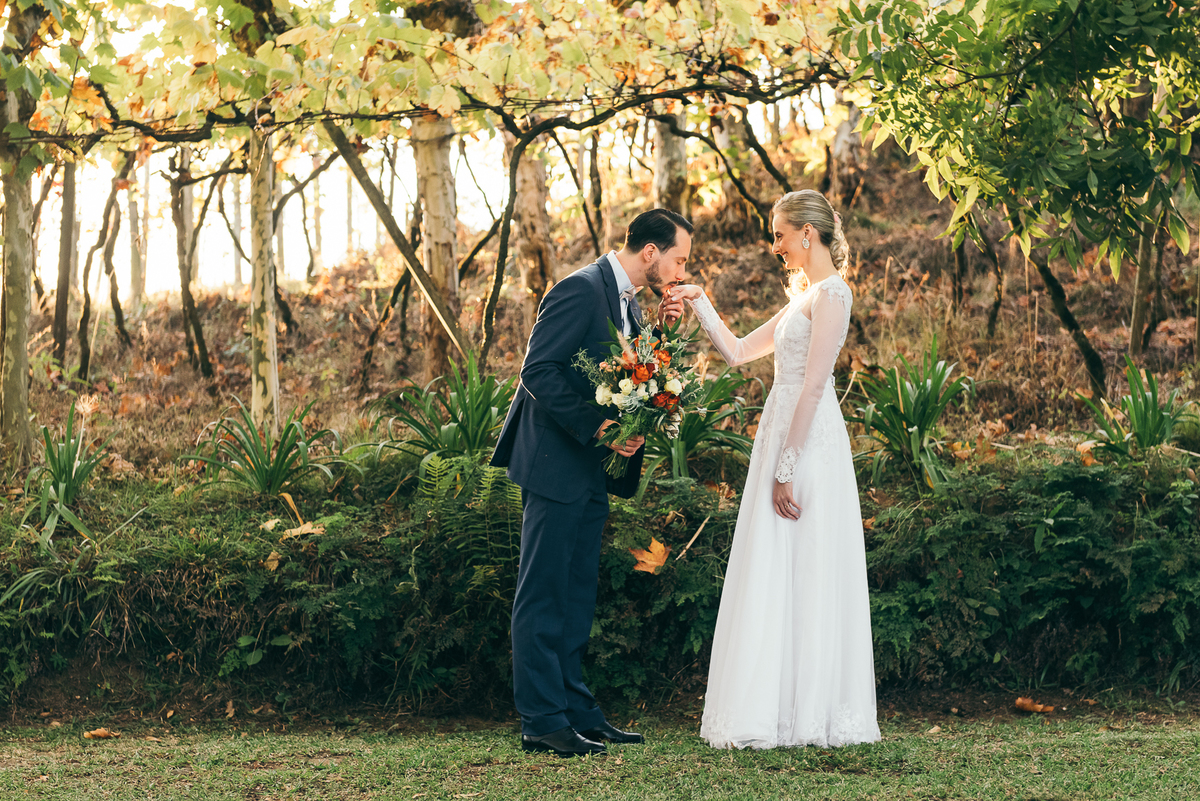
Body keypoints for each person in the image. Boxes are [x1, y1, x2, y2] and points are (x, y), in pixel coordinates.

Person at [671, 189, 880, 749]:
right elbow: (739, 351)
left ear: (807, 234)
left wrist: (787, 468)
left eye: (779, 234)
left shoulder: (833, 294)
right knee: (773, 565)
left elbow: (814, 386)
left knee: (806, 563)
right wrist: (698, 300)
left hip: (807, 445)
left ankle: (810, 714)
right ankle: (774, 709)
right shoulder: (803, 299)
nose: (774, 245)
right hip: (781, 435)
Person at [491, 209, 693, 757]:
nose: (679, 272)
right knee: (543, 593)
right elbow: (538, 372)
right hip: (555, 464)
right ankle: (541, 719)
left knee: (577, 593)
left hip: (591, 471)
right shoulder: (579, 290)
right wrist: (600, 426)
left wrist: (663, 330)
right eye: (678, 259)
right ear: (649, 252)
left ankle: (577, 710)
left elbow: (627, 374)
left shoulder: (629, 301)